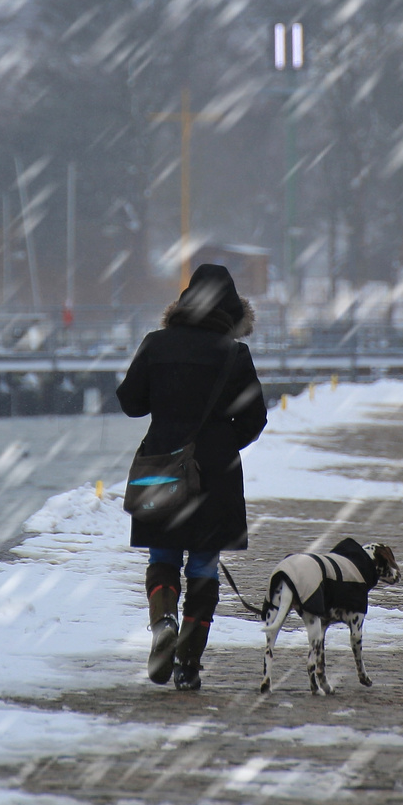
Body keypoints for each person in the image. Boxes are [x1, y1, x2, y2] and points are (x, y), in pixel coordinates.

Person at [117, 264, 267, 690]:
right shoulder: (234, 355)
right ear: (233, 312)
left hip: (161, 467)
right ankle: (188, 664)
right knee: (203, 564)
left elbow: (131, 403)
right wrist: (221, 445)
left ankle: (162, 622)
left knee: (162, 554)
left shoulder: (157, 344)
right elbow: (255, 418)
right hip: (215, 477)